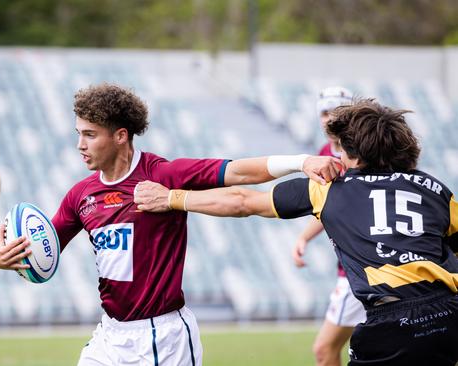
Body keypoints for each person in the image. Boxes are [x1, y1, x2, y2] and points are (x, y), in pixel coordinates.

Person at [0, 83, 340, 365]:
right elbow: (43, 249)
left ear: (121, 135)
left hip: (162, 338)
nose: (79, 145)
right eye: (79, 133)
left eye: (90, 135)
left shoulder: (162, 174)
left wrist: (300, 161)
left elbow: (236, 170)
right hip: (110, 336)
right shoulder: (80, 195)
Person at [134, 98, 458, 365]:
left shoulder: (329, 189)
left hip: (393, 322)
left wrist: (172, 198)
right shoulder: (436, 191)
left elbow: (243, 201)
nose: (336, 157)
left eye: (340, 150)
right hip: (450, 313)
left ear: (355, 155)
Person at [292, 86, 365, 366]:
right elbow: (326, 207)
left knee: (325, 350)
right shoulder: (324, 152)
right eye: (324, 112)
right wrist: (304, 238)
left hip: (360, 267)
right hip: (354, 264)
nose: (329, 118)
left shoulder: (362, 155)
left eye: (337, 111)